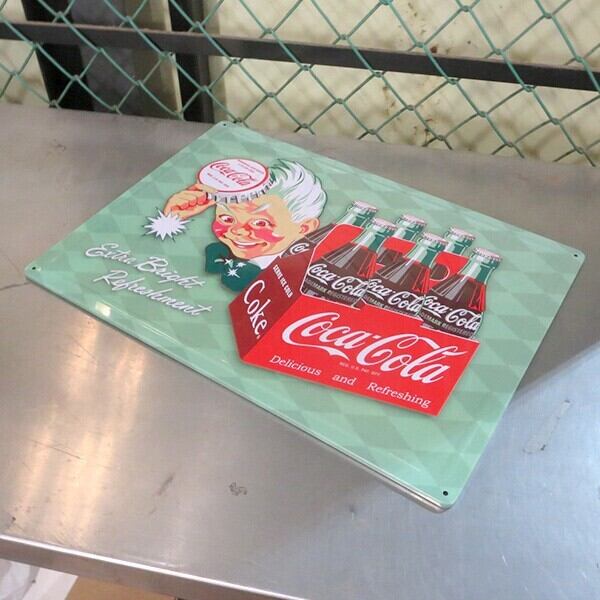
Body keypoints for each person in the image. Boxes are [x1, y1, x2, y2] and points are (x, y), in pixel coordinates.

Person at [163, 159, 327, 291]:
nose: (237, 231)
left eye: (260, 223)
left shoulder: (305, 278)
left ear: (304, 228)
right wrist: (171, 219)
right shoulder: (215, 251)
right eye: (227, 218)